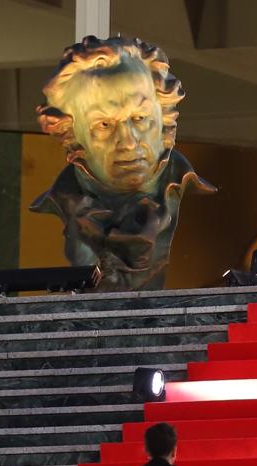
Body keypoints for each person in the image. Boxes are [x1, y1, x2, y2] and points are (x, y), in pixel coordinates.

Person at [32, 36, 216, 291]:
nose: (128, 142)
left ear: (164, 115)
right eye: (104, 125)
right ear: (72, 134)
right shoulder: (65, 202)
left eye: (140, 118)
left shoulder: (209, 205)